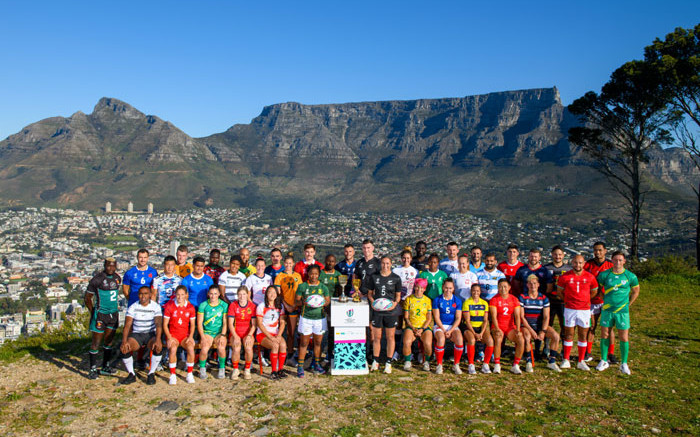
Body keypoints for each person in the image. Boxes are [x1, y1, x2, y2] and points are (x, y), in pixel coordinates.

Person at [595, 251, 640, 375]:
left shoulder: (630, 276)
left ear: (624, 261)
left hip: (622, 312)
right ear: (612, 261)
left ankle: (624, 363)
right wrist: (605, 300)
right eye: (615, 260)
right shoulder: (604, 275)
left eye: (620, 260)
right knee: (605, 334)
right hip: (607, 310)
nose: (618, 262)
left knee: (623, 337)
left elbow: (636, 291)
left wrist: (628, 304)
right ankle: (604, 360)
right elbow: (598, 290)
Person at [557, 254, 599, 371]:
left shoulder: (590, 277)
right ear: (572, 263)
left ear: (584, 263)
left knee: (583, 335)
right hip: (570, 309)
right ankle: (566, 359)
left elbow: (594, 291)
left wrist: (585, 300)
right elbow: (560, 291)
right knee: (569, 334)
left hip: (584, 310)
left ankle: (581, 360)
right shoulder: (565, 277)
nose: (578, 265)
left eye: (580, 263)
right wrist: (567, 300)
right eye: (575, 262)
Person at [85, 258, 121, 379]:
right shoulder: (97, 279)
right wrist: (93, 311)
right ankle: (92, 368)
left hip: (113, 313)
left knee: (109, 341)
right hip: (101, 314)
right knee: (96, 342)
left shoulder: (117, 278)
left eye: (113, 266)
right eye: (109, 266)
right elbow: (87, 297)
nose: (111, 268)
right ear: (104, 266)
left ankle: (105, 366)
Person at [119, 286, 163, 385]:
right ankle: (131, 374)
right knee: (126, 348)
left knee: (158, 347)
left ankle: (151, 373)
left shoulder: (155, 306)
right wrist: (124, 341)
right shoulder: (133, 307)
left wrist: (158, 339)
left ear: (150, 295)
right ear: (138, 295)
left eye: (146, 293)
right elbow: (127, 325)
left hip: (150, 333)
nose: (143, 296)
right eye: (141, 294)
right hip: (137, 334)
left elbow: (158, 324)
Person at [519, 275, 561, 372]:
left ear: (538, 285)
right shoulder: (522, 297)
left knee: (555, 336)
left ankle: (552, 361)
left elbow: (546, 317)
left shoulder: (544, 298)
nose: (532, 285)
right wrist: (531, 331)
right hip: (527, 325)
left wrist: (543, 331)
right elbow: (522, 317)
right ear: (527, 285)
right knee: (526, 336)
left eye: (534, 283)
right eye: (530, 283)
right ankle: (529, 361)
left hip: (539, 326)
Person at [367, 256, 402, 373]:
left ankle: (388, 362)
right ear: (380, 264)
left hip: (390, 312)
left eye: (387, 263)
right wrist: (373, 302)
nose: (385, 266)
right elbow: (370, 294)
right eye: (383, 263)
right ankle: (375, 361)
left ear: (391, 264)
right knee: (376, 337)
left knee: (390, 337)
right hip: (377, 312)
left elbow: (398, 296)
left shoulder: (396, 278)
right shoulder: (374, 277)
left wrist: (395, 304)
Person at [295, 265, 331, 377]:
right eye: (311, 273)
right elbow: (296, 302)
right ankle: (300, 367)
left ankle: (316, 364)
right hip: (306, 318)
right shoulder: (302, 286)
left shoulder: (323, 287)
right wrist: (304, 303)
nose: (313, 276)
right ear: (308, 274)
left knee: (318, 343)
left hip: (319, 318)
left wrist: (320, 303)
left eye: (316, 273)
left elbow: (327, 301)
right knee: (304, 342)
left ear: (318, 274)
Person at [584, 242, 616, 363]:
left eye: (600, 250)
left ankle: (611, 353)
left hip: (607, 300)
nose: (598, 253)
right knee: (591, 326)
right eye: (595, 250)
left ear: (605, 251)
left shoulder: (610, 265)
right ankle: (588, 351)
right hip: (592, 300)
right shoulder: (588, 265)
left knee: (608, 327)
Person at [489, 279, 525, 374]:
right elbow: (493, 316)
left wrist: (517, 329)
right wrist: (496, 329)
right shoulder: (494, 299)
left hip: (509, 327)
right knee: (498, 338)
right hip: (498, 325)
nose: (503, 289)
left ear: (509, 287)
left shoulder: (514, 299)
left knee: (520, 339)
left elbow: (517, 316)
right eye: (500, 286)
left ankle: (515, 365)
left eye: (505, 286)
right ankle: (497, 364)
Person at [162, 285, 196, 385]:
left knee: (190, 347)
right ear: (175, 295)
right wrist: (169, 337)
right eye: (178, 295)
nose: (180, 297)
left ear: (186, 295)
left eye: (182, 295)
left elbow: (193, 325)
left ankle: (189, 373)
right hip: (173, 335)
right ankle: (172, 375)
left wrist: (190, 337)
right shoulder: (170, 306)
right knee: (172, 349)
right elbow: (165, 325)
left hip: (185, 336)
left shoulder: (190, 307)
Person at [432, 279, 464, 375]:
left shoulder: (457, 300)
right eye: (446, 288)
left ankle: (456, 364)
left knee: (459, 339)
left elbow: (458, 318)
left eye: (450, 288)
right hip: (439, 325)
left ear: (453, 289)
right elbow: (436, 317)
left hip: (452, 326)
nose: (448, 290)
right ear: (442, 287)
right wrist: (443, 329)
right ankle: (439, 365)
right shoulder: (437, 300)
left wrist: (451, 330)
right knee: (441, 339)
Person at [196, 285, 229, 379]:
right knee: (205, 348)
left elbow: (225, 322)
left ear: (219, 294)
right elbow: (199, 322)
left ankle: (222, 368)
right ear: (208, 294)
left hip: (219, 332)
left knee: (221, 347)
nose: (213, 296)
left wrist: (223, 335)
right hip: (207, 332)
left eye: (215, 293)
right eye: (211, 293)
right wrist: (202, 336)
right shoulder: (203, 305)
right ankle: (202, 368)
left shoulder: (224, 305)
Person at [275, 256, 303, 364]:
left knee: (291, 332)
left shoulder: (297, 276)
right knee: (279, 332)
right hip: (283, 307)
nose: (288, 265)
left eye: (290, 263)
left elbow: (300, 293)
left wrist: (294, 305)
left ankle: (290, 354)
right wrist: (286, 305)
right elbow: (278, 293)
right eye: (286, 263)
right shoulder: (280, 276)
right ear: (283, 263)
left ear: (293, 264)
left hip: (294, 307)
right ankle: (278, 354)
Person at [402, 278, 433, 372]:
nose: (419, 289)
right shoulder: (409, 299)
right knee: (407, 342)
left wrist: (422, 329)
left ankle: (426, 362)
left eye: (421, 288)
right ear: (414, 287)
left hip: (424, 327)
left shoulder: (427, 300)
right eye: (417, 287)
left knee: (427, 343)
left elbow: (429, 318)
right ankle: (407, 361)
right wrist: (413, 328)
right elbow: (406, 317)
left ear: (424, 289)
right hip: (412, 326)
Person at [256, 286, 287, 379]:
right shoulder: (261, 306)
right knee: (275, 345)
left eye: (274, 292)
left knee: (283, 345)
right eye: (270, 292)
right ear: (266, 294)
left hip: (275, 333)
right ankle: (274, 371)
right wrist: (270, 337)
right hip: (263, 334)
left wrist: (279, 335)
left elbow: (282, 322)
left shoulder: (280, 306)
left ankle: (280, 370)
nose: (272, 294)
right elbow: (260, 324)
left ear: (277, 294)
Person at [462, 284, 494, 374]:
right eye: (474, 291)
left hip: (481, 328)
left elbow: (485, 320)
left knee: (490, 342)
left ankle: (485, 364)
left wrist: (481, 333)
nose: (475, 292)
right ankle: (471, 364)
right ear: (471, 291)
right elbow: (467, 321)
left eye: (477, 291)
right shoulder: (467, 303)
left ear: (480, 292)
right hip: (470, 328)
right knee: (471, 340)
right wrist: (475, 333)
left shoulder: (484, 303)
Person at [227, 285, 256, 380]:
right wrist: (235, 336)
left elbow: (254, 324)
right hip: (236, 332)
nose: (242, 296)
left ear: (247, 295)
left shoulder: (252, 306)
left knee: (248, 348)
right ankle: (235, 369)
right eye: (240, 294)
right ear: (237, 295)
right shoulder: (233, 305)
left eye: (244, 294)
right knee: (236, 348)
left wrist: (249, 335)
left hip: (247, 332)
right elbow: (230, 324)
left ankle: (247, 369)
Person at [544, 245, 572, 335]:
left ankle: (564, 346)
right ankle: (546, 345)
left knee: (564, 324)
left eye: (560, 254)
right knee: (548, 323)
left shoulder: (569, 269)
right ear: (552, 255)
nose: (558, 257)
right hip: (550, 300)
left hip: (562, 301)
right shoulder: (546, 268)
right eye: (555, 254)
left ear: (563, 255)